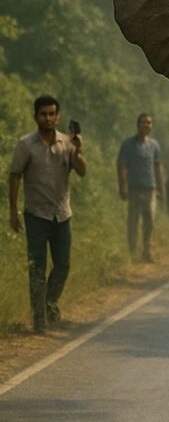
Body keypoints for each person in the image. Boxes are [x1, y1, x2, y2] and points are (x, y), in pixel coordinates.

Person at [8, 95, 86, 333]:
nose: (48, 118)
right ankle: (39, 321)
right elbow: (14, 175)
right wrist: (13, 211)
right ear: (35, 116)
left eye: (52, 114)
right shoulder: (26, 145)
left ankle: (49, 303)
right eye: (44, 114)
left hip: (62, 214)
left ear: (58, 116)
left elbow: (82, 171)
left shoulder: (67, 143)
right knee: (37, 268)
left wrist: (78, 151)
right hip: (36, 214)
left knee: (62, 265)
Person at [117, 113, 163, 262]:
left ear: (152, 126)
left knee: (149, 222)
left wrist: (161, 188)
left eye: (149, 123)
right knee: (133, 221)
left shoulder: (154, 145)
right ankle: (132, 253)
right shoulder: (128, 144)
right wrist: (122, 187)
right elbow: (122, 166)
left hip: (150, 188)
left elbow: (157, 167)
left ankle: (147, 252)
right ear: (138, 125)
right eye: (143, 122)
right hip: (134, 189)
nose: (146, 125)